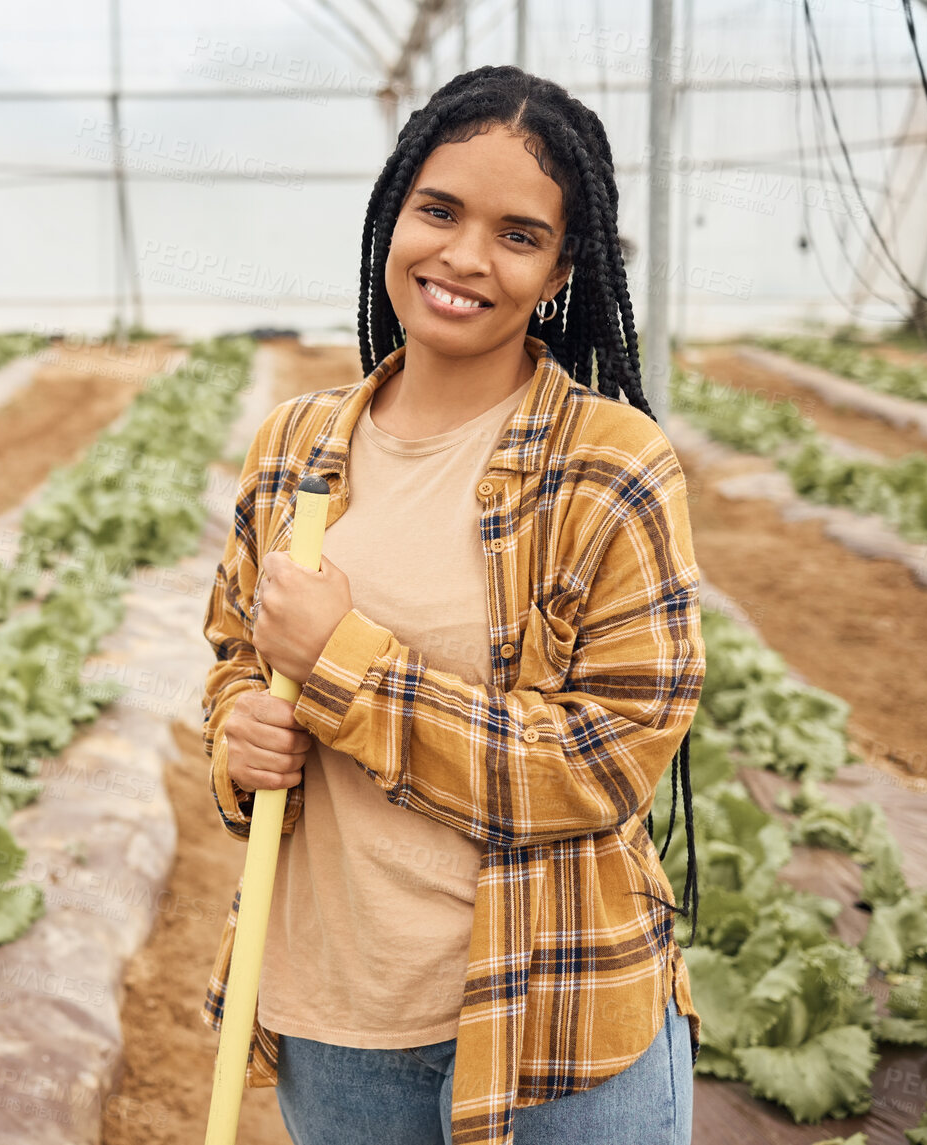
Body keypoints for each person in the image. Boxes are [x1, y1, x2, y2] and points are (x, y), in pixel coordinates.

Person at [199, 64, 704, 1145]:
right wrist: (235, 736)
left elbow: (602, 760)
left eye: (517, 234)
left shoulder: (609, 466)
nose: (464, 257)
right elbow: (234, 667)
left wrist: (343, 663)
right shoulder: (292, 447)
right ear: (392, 209)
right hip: (340, 1017)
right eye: (437, 210)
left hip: (555, 1021)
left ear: (562, 266)